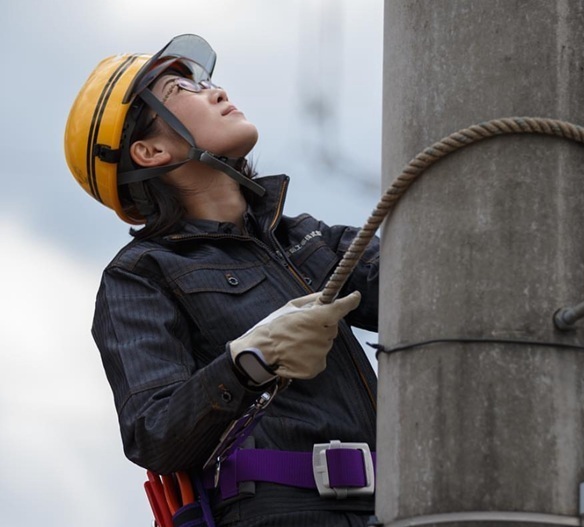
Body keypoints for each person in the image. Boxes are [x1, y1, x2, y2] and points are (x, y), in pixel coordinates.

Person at [64, 34, 380, 527]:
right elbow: (154, 432)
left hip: (397, 508)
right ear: (150, 151)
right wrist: (248, 363)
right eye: (179, 90)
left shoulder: (307, 239)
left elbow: (432, 288)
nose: (214, 91)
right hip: (279, 513)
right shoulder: (142, 274)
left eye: (206, 80)